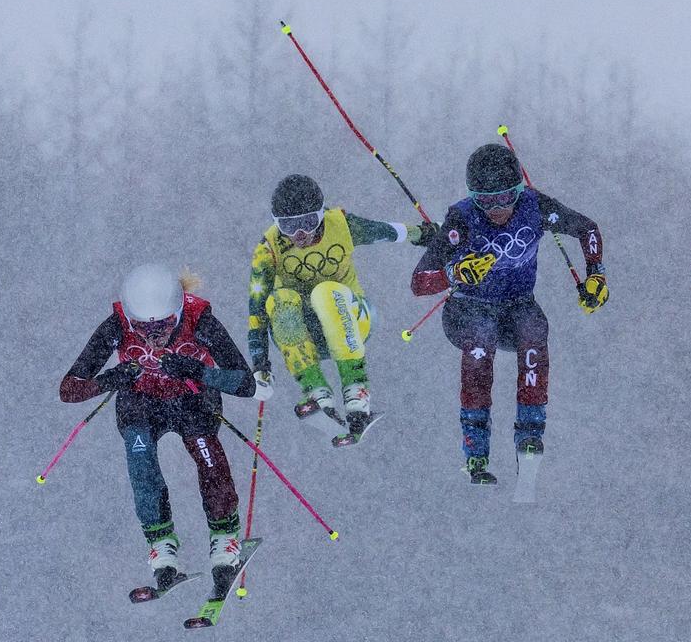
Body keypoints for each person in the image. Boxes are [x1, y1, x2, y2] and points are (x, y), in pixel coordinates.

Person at [411, 143, 609, 484]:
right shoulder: (462, 218)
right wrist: (455, 273)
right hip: (467, 309)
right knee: (482, 337)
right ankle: (476, 447)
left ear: (519, 190)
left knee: (534, 329)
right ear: (474, 198)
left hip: (517, 304)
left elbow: (587, 229)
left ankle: (530, 431)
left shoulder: (534, 206)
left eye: (506, 197)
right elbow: (418, 282)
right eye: (486, 201)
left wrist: (596, 275)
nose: (497, 209)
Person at [59, 263, 258, 590]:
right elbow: (68, 389)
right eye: (141, 328)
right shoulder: (117, 325)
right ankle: (161, 546)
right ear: (130, 318)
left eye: (164, 325)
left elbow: (244, 383)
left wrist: (196, 370)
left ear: (178, 309)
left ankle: (225, 537)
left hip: (192, 398)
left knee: (206, 454)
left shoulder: (200, 320)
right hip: (141, 401)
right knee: (141, 463)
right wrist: (110, 379)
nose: (154, 336)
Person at [248, 174, 437, 446]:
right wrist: (259, 363)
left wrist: (427, 233)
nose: (300, 235)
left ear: (321, 214)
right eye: (289, 227)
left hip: (353, 319)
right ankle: (317, 393)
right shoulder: (268, 249)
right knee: (280, 300)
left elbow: (386, 231)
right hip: (306, 335)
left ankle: (356, 392)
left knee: (324, 291)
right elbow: (256, 309)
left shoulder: (341, 225)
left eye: (308, 223)